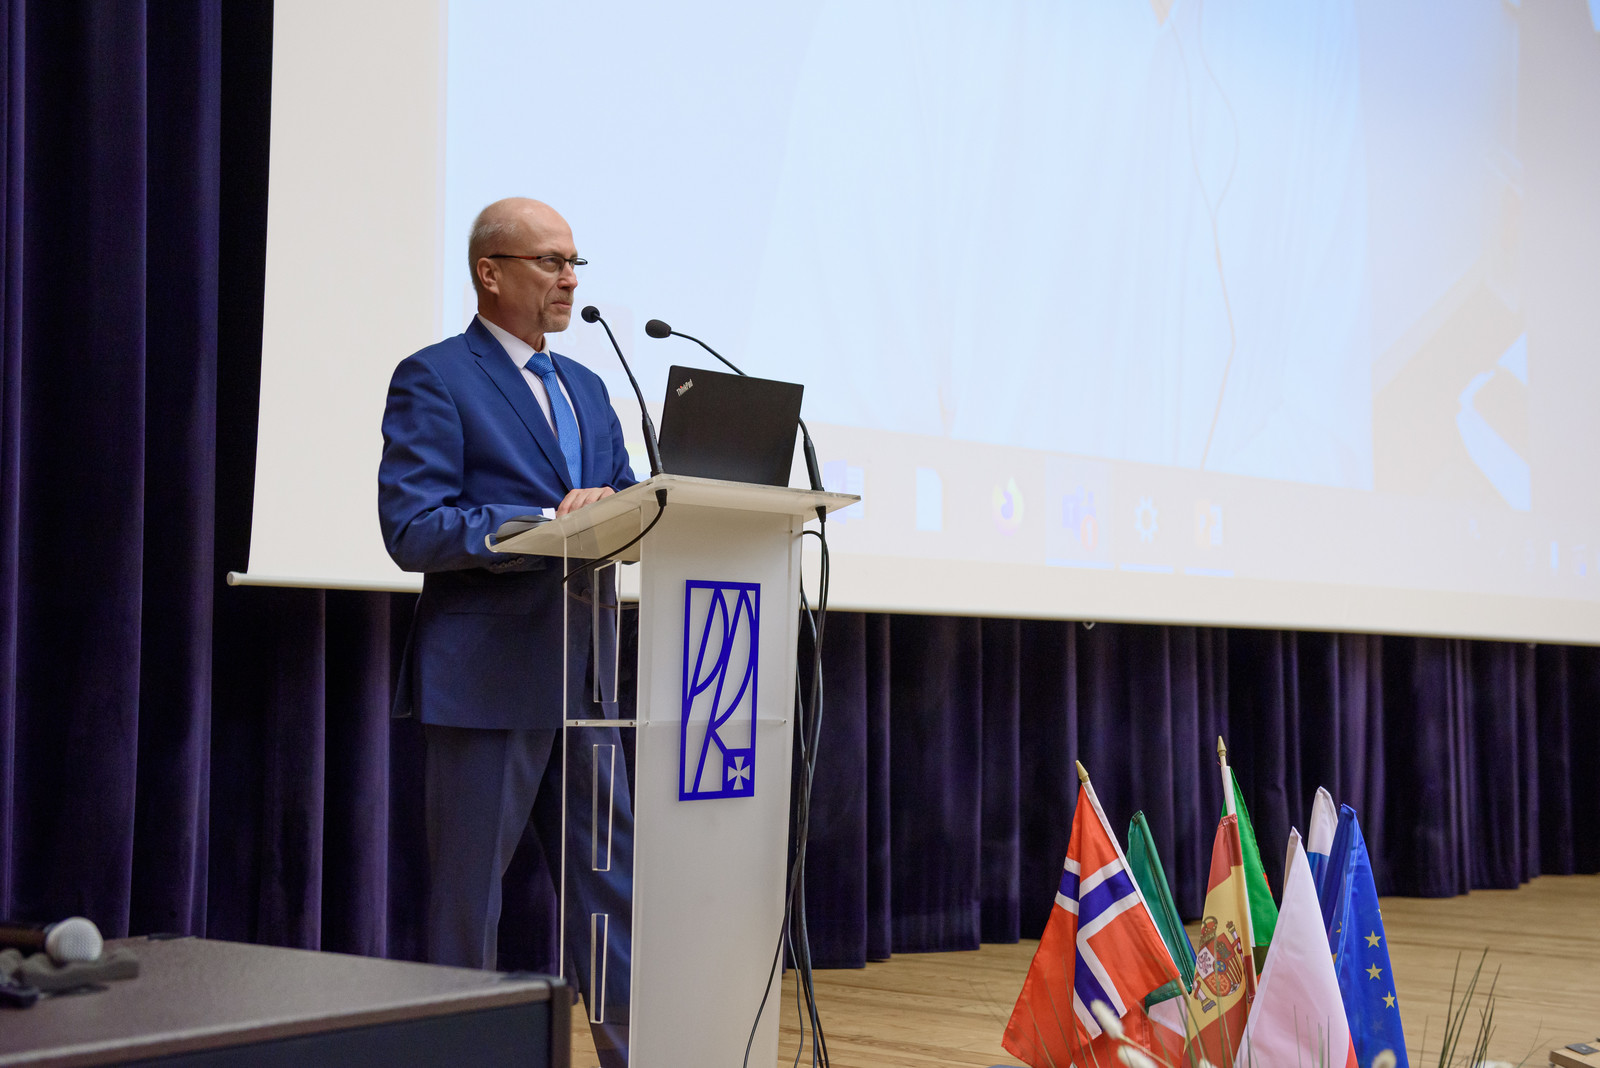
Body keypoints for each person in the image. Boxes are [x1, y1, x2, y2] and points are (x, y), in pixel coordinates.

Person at [378, 197, 633, 1065]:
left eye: (575, 264)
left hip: (587, 681)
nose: (570, 280)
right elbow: (413, 527)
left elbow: (623, 499)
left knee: (613, 901)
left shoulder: (589, 388)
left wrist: (622, 507)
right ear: (490, 273)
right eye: (551, 261)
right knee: (467, 909)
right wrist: (541, 523)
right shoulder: (437, 377)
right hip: (486, 681)